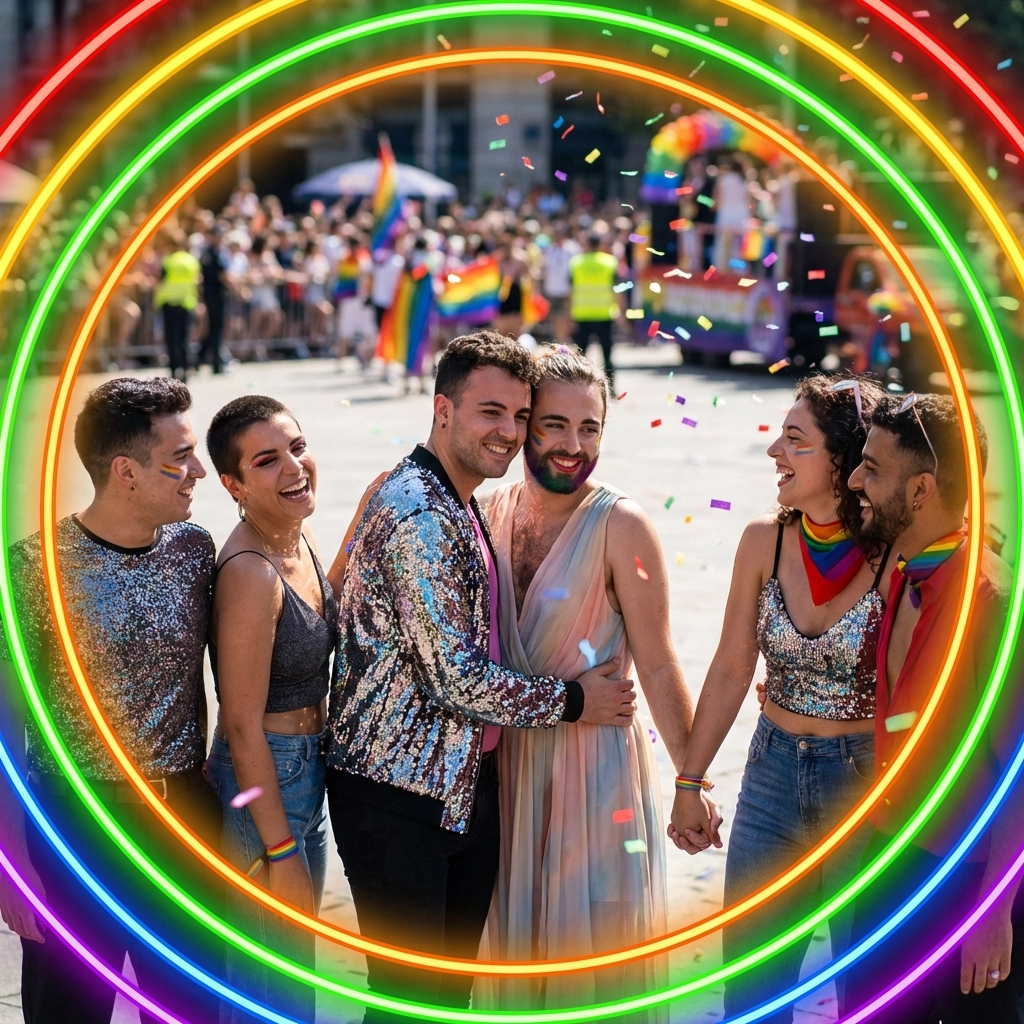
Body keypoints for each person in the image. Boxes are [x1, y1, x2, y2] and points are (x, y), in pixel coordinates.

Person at [325, 330, 638, 1024]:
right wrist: (577, 700)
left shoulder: (460, 496)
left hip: (458, 788)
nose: (509, 432)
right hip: (397, 796)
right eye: (490, 412)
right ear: (443, 409)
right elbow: (456, 679)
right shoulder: (420, 512)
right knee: (411, 1005)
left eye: (521, 416)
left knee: (444, 1000)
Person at [477, 346, 716, 1015]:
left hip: (596, 777)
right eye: (554, 424)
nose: (572, 446)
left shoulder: (621, 523)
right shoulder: (488, 510)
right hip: (510, 776)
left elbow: (662, 662)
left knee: (593, 968)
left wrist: (691, 780)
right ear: (524, 424)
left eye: (590, 429)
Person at [0, 377, 222, 1023]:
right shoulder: (32, 567)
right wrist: (11, 860)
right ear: (125, 470)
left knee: (188, 1007)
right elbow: (8, 723)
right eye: (179, 458)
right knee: (67, 1007)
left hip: (182, 817)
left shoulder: (193, 550)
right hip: (75, 825)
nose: (197, 471)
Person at [673, 374, 893, 1024]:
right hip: (770, 776)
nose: (773, 452)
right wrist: (689, 779)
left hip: (866, 785)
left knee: (866, 984)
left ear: (843, 461)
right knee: (752, 985)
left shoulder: (895, 554)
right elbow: (730, 668)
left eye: (794, 440)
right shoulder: (761, 541)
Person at [844, 393, 1024, 1023]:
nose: (854, 479)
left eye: (871, 467)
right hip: (890, 862)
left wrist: (993, 916)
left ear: (921, 490)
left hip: (968, 886)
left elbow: (1018, 775)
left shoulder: (992, 602)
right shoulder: (901, 567)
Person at [203, 396, 337, 1022]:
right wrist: (280, 852)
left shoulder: (296, 533)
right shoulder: (250, 572)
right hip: (265, 780)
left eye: (297, 447)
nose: (294, 467)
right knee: (267, 988)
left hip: (304, 775)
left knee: (292, 977)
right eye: (267, 461)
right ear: (233, 484)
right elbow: (239, 724)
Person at [569, 234, 619, 390]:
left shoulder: (576, 263)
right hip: (604, 313)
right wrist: (620, 312)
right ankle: (610, 388)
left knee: (580, 356)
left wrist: (569, 313)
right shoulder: (610, 262)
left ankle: (578, 388)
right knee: (607, 355)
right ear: (599, 245)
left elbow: (570, 290)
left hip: (582, 313)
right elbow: (617, 289)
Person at [155, 231, 201, 381]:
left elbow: (160, 280)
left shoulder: (167, 261)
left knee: (171, 338)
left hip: (169, 302)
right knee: (184, 338)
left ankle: (174, 369)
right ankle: (186, 370)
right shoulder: (191, 260)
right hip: (186, 302)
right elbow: (197, 281)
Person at [542, 224, 580, 344]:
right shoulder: (550, 250)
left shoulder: (572, 249)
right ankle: (558, 341)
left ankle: (563, 341)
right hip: (552, 290)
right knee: (554, 317)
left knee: (565, 317)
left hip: (566, 290)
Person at [199, 228, 228, 374]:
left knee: (212, 328)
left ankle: (201, 357)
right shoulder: (215, 254)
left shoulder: (205, 253)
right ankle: (216, 363)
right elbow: (222, 275)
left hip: (209, 294)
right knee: (217, 328)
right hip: (216, 294)